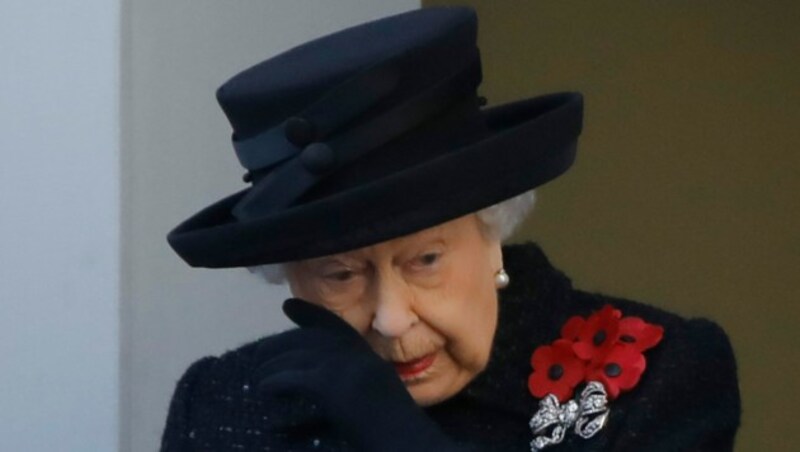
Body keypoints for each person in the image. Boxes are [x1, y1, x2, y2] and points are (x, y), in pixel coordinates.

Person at [161, 7, 740, 452]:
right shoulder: (222, 402)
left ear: (493, 231)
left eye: (426, 260)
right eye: (340, 274)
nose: (391, 318)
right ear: (289, 279)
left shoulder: (658, 376)